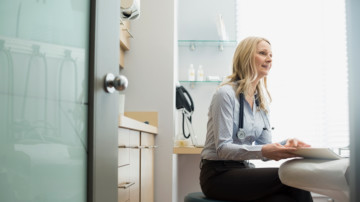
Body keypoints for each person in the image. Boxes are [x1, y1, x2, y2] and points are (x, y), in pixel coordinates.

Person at [200, 36, 313, 202]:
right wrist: (264, 151)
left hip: (243, 169)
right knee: (294, 180)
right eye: (262, 53)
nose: (269, 59)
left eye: (271, 55)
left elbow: (263, 148)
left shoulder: (261, 101)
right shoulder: (225, 94)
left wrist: (286, 145)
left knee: (284, 199)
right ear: (246, 57)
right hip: (218, 175)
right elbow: (222, 148)